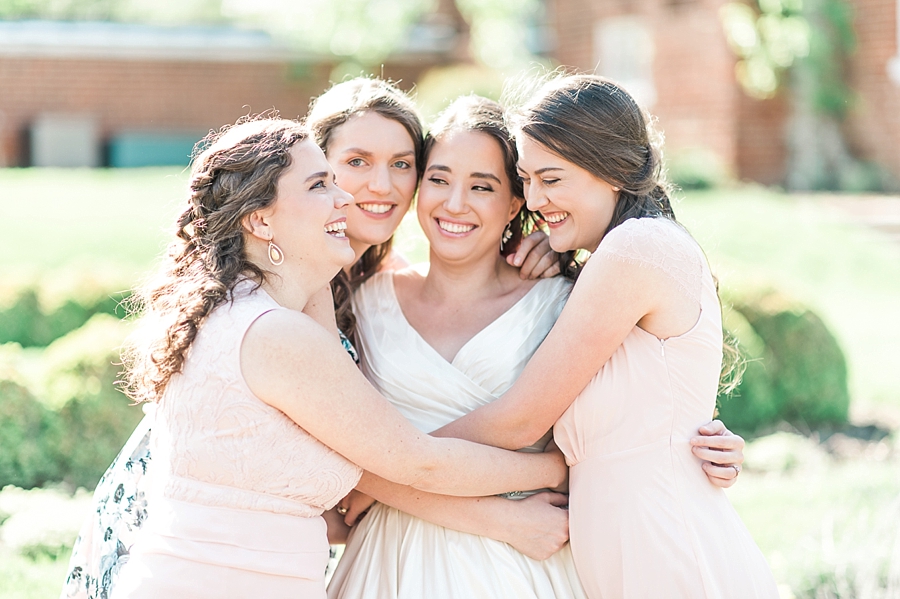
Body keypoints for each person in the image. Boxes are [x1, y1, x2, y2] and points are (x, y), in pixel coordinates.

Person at [60, 78, 560, 599]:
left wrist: (540, 243)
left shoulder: (371, 280)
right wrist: (519, 501)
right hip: (179, 528)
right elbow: (381, 454)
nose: (378, 186)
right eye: (354, 164)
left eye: (402, 164)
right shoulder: (285, 297)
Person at [327, 96, 748, 599]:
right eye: (438, 179)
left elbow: (638, 400)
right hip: (387, 558)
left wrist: (690, 439)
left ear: (513, 204)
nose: (455, 203)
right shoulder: (359, 298)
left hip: (528, 559)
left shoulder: (569, 297)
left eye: (483, 186)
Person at [435, 75, 779, 598]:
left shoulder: (637, 248)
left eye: (552, 179)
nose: (533, 199)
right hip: (630, 553)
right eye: (526, 179)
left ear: (612, 172)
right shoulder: (616, 257)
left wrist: (393, 462)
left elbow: (520, 419)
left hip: (668, 553)